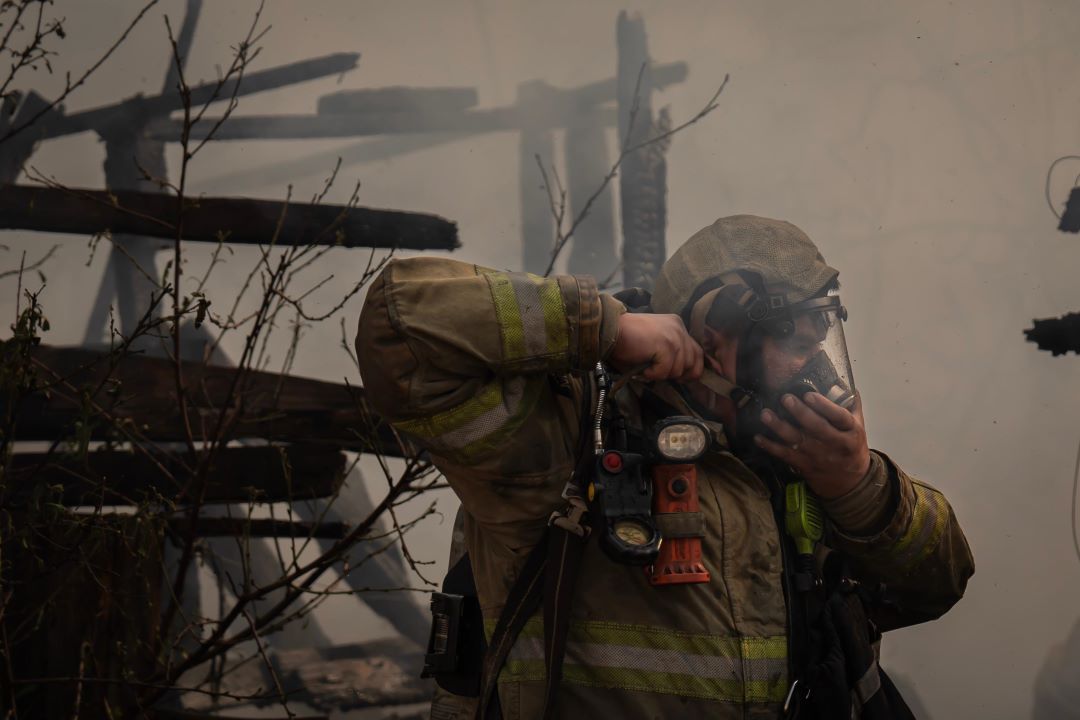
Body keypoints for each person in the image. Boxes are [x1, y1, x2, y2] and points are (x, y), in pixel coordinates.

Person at [356, 215, 974, 719]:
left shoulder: (806, 464)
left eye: (824, 347)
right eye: (798, 347)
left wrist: (860, 487)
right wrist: (601, 327)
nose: (819, 376)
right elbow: (399, 320)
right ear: (715, 333)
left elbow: (940, 583)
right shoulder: (566, 443)